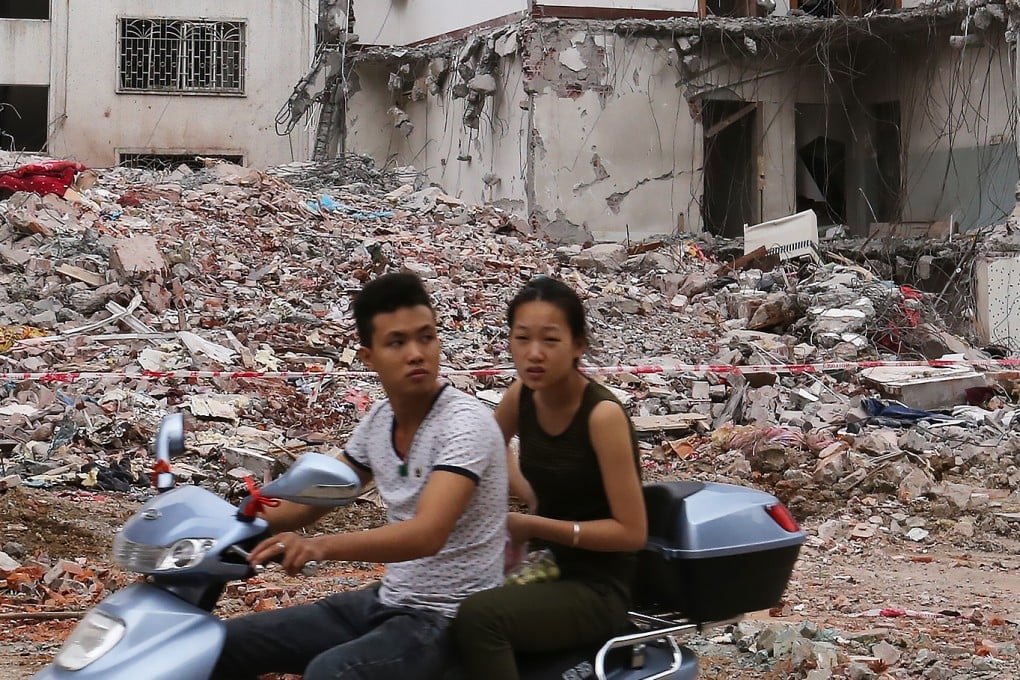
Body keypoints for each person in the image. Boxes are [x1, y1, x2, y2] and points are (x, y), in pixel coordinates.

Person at [212, 272, 508, 680]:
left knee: (333, 673)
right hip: (390, 600)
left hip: (449, 617)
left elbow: (428, 533)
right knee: (224, 644)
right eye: (397, 343)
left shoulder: (465, 424)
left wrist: (320, 547)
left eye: (426, 337)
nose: (417, 354)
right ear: (368, 357)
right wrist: (230, 522)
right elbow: (315, 498)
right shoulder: (379, 422)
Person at [453, 276, 647, 680]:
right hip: (542, 565)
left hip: (596, 584)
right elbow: (484, 453)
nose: (534, 354)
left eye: (551, 340)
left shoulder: (601, 416)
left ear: (578, 345)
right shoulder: (520, 395)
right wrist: (522, 487)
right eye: (522, 338)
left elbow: (631, 533)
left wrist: (532, 524)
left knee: (480, 618)